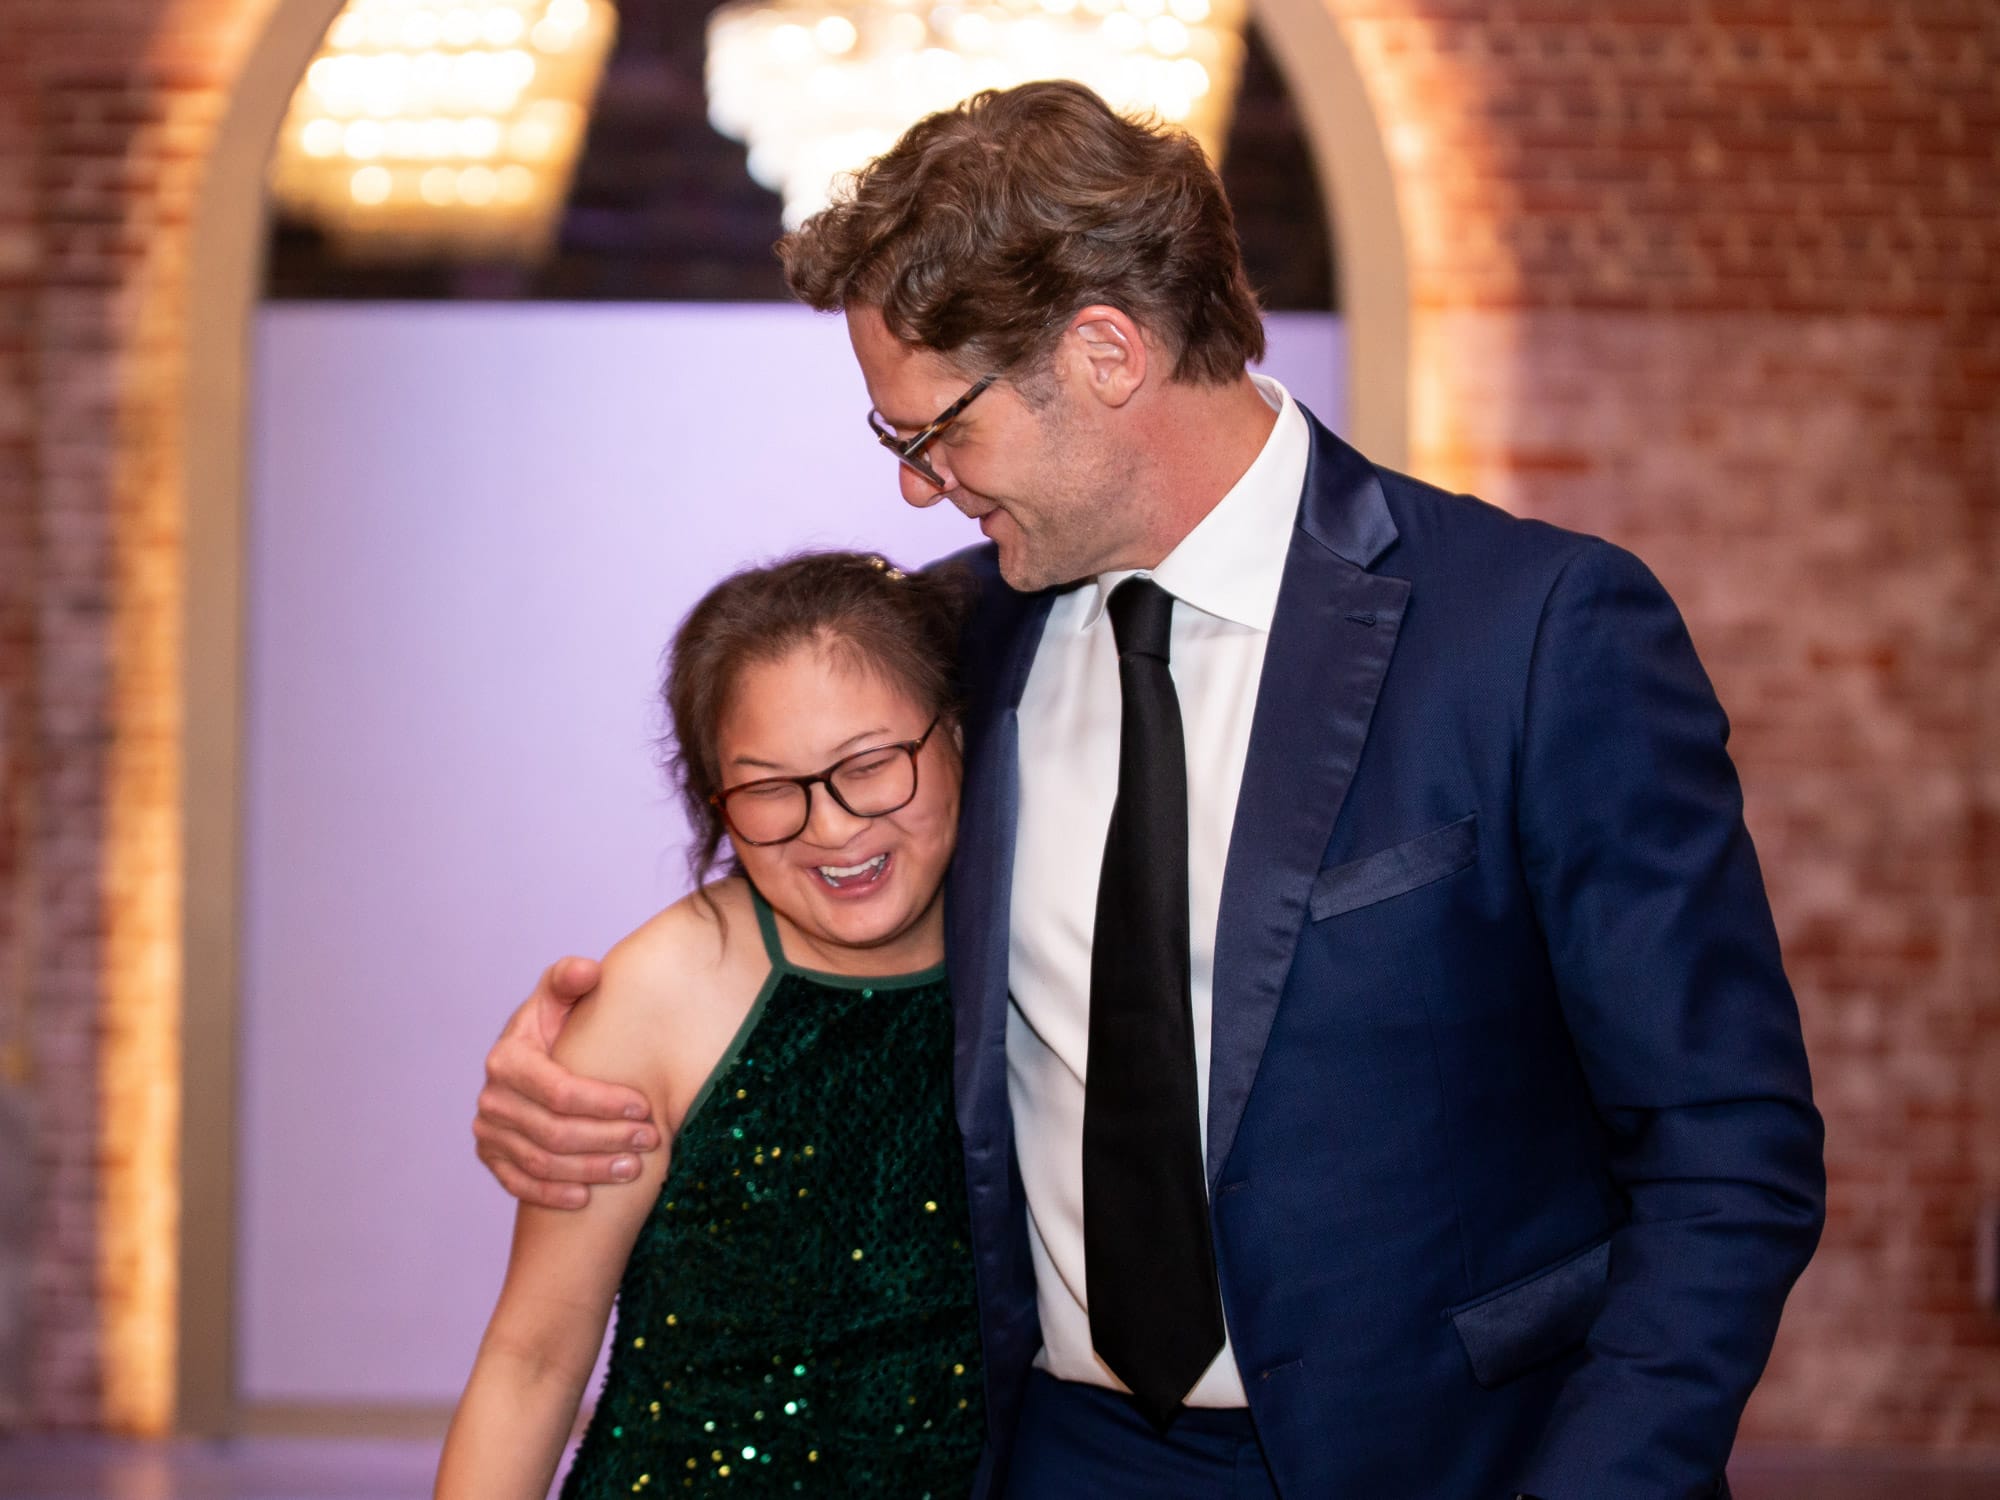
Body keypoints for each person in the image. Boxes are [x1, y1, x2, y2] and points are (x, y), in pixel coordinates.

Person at [471, 82, 1825, 1500]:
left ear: (1104, 353)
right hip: (1061, 1454)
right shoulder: (950, 647)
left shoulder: (1533, 631)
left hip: (1455, 1461)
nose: (923, 493)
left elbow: (1728, 1150)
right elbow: (805, 892)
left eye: (936, 435)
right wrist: (565, 1072)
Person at [438, 552, 985, 1499]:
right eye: (769, 786)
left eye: (870, 765)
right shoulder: (659, 993)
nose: (831, 826)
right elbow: (532, 1360)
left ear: (961, 737)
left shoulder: (1038, 951)